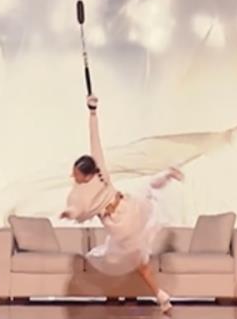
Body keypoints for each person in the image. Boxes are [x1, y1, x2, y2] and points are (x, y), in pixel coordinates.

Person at [60, 95, 183, 314]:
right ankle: (162, 297)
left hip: (122, 221)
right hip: (128, 211)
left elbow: (78, 210)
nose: (73, 175)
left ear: (87, 174)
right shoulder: (86, 184)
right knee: (140, 260)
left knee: (127, 258)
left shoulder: (94, 178)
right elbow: (76, 209)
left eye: (76, 173)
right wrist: (93, 112)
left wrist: (93, 112)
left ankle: (159, 296)